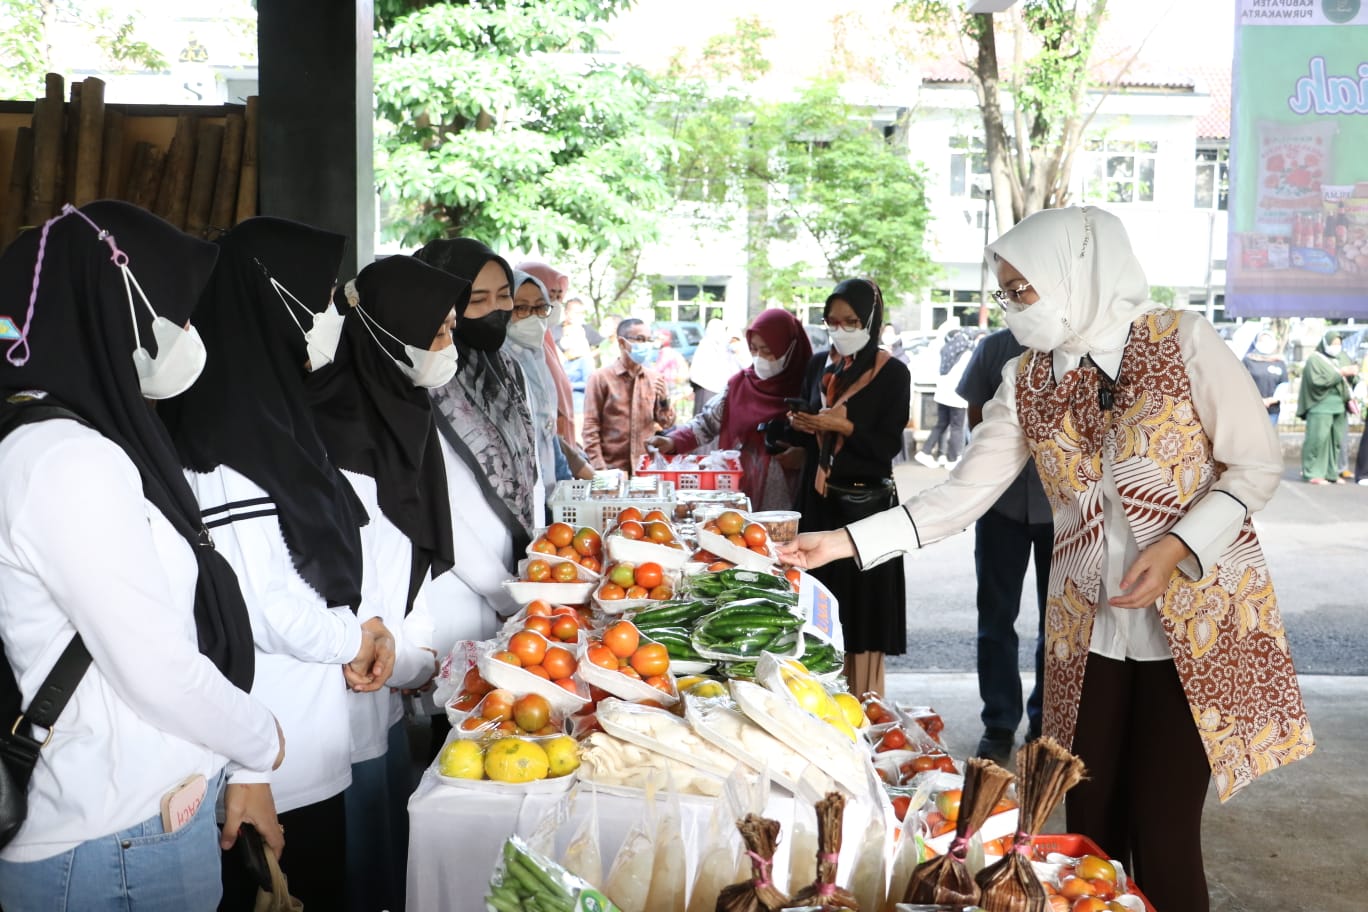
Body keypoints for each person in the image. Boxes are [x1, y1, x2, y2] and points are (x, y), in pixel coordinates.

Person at [781, 206, 1315, 912]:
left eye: (1021, 290)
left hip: (1198, 620)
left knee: (1162, 830)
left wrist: (1178, 544)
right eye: (1004, 292)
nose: (1010, 307)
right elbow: (963, 494)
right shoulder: (1027, 378)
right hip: (1086, 628)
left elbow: (1254, 466)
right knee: (1086, 825)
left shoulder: (1182, 342)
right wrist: (846, 542)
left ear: (1078, 274)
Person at [0, 201, 284, 910]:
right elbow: (155, 668)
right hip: (108, 847)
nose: (190, 334)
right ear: (114, 310)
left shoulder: (60, 439)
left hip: (133, 826)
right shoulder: (68, 459)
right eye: (179, 314)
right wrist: (262, 739)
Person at [156, 217, 394, 910]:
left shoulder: (274, 414)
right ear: (271, 296)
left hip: (302, 743)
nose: (330, 317)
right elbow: (264, 607)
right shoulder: (227, 432)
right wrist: (360, 638)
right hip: (265, 762)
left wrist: (363, 623)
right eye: (319, 297)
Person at [307, 254, 464, 912]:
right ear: (390, 330)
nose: (450, 346)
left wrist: (411, 654)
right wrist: (383, 649)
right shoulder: (328, 430)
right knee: (344, 874)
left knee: (383, 871)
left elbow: (411, 572)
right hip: (330, 697)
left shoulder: (409, 416)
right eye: (439, 332)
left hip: (388, 686)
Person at [788, 279, 910, 698]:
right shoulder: (819, 365)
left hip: (864, 507)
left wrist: (844, 426)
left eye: (851, 321)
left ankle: (862, 701)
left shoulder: (892, 373)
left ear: (871, 321)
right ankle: (815, 694)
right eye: (832, 321)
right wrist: (802, 425)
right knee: (817, 603)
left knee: (861, 611)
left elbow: (888, 446)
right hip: (818, 499)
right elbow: (808, 428)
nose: (840, 330)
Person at [414, 239, 538, 652]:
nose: (495, 309)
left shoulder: (508, 372)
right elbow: (435, 504)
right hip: (450, 582)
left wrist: (520, 581)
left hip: (513, 574)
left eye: (504, 296)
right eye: (477, 299)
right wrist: (501, 591)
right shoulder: (423, 376)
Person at [955, 328, 1051, 764]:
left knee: (1061, 626)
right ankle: (999, 722)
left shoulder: (1082, 345)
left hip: (1064, 511)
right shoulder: (995, 347)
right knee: (995, 619)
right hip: (1001, 506)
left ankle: (1047, 722)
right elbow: (976, 418)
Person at [649, 309, 814, 511]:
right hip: (737, 494)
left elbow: (830, 445)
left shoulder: (811, 388)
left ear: (790, 348)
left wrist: (807, 457)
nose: (759, 357)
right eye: (754, 349)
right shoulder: (740, 385)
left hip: (790, 502)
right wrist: (673, 440)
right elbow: (707, 422)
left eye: (768, 350)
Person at [582, 318, 676, 472]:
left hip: (645, 468)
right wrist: (600, 469)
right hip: (612, 469)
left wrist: (665, 401)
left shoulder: (654, 379)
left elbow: (666, 424)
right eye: (639, 339)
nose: (645, 344)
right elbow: (590, 428)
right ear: (621, 342)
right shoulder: (600, 378)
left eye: (648, 339)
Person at [506, 271, 563, 507]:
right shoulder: (502, 361)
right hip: (519, 496)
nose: (533, 317)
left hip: (548, 488)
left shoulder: (537, 358)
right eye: (521, 308)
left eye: (540, 307)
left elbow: (547, 428)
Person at [1296, 331, 1356, 485]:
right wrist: (1340, 373)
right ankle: (1312, 472)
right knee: (1318, 439)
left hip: (1340, 405)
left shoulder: (1342, 357)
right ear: (1325, 343)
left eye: (1338, 344)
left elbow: (1350, 378)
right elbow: (1317, 382)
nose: (1336, 347)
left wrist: (1353, 374)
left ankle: (1331, 472)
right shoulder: (1314, 360)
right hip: (1320, 404)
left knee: (1335, 441)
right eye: (1333, 343)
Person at [915, 327, 973, 468]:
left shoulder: (946, 349)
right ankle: (952, 459)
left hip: (942, 392)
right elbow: (967, 376)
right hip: (957, 395)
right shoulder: (966, 353)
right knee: (957, 427)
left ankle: (925, 452)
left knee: (941, 424)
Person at [689, 319, 747, 416]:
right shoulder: (717, 346)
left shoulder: (714, 345)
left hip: (706, 391)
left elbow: (694, 374)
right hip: (715, 390)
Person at [1241, 330, 1288, 430]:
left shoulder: (1279, 362)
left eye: (1268, 341)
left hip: (1272, 409)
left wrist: (1271, 400)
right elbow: (1242, 383)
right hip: (1252, 407)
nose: (1265, 344)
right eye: (1262, 341)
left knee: (1268, 438)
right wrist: (1259, 400)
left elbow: (1283, 384)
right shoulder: (1248, 361)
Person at [652, 327, 694, 420]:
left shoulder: (666, 352)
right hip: (676, 390)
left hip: (673, 390)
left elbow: (657, 370)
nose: (657, 341)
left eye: (660, 338)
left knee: (672, 417)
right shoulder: (671, 352)